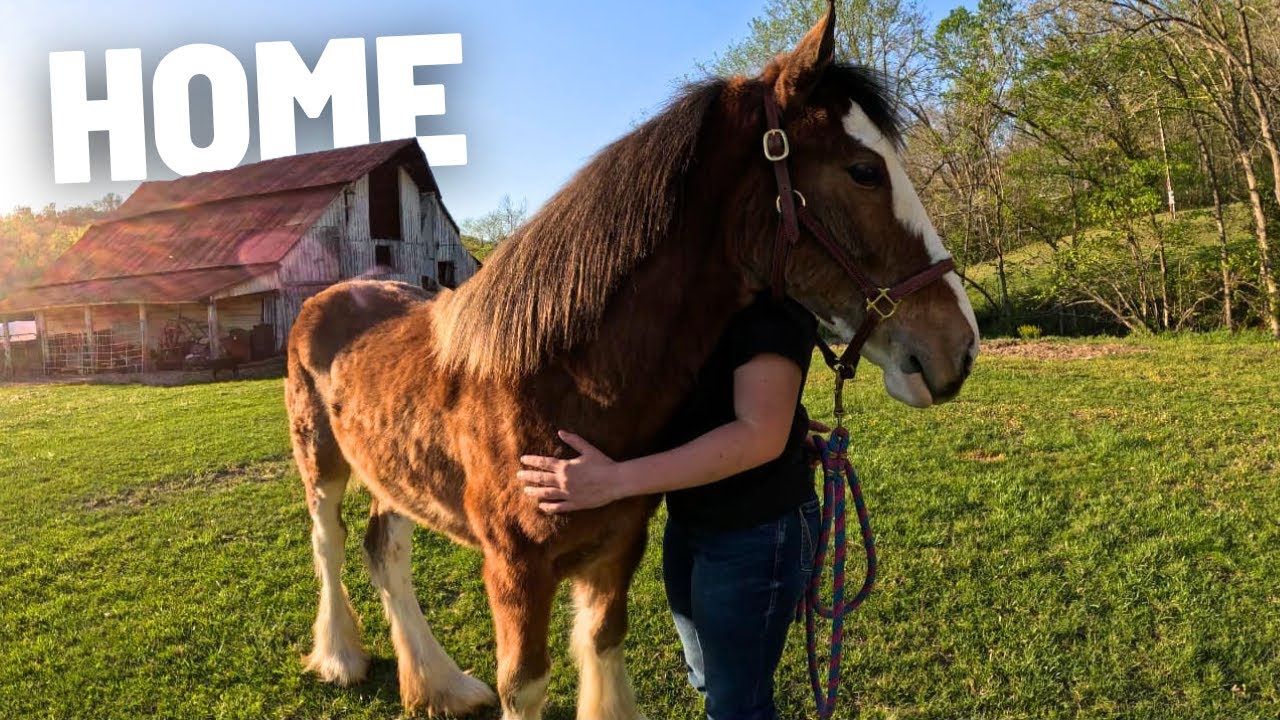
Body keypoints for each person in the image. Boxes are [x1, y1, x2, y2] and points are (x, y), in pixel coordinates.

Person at [518, 290, 821, 720]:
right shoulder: (694, 292)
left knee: (737, 705)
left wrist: (612, 481)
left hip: (753, 530)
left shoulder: (773, 309)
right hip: (693, 520)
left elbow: (758, 435)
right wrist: (786, 419)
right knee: (707, 677)